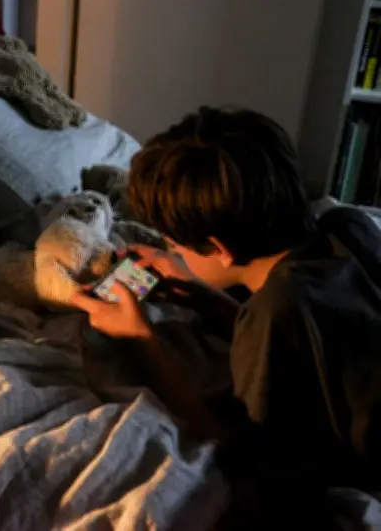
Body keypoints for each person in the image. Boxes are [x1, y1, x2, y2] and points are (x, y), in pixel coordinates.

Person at [71, 107, 381, 523]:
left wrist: (141, 340)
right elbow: (313, 339)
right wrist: (206, 299)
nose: (174, 252)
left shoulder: (276, 309)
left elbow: (238, 446)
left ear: (219, 249)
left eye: (176, 244)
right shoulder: (347, 227)